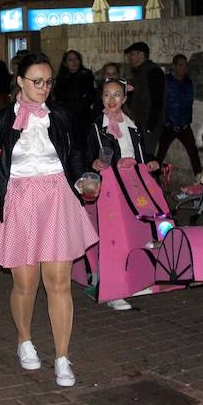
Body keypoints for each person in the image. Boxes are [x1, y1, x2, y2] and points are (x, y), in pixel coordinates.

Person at [0, 53, 98, 387]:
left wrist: (82, 179)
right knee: (25, 284)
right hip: (19, 201)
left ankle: (62, 357)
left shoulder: (60, 115)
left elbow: (75, 155)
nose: (44, 88)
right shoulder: (1, 120)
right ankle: (24, 339)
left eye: (48, 82)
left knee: (58, 282)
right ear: (20, 81)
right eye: (37, 82)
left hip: (56, 198)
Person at [84, 77, 160, 311]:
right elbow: (90, 152)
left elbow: (140, 150)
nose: (111, 99)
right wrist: (94, 163)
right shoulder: (98, 125)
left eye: (117, 95)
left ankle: (138, 279)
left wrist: (148, 162)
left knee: (140, 229)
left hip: (133, 183)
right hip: (110, 185)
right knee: (113, 236)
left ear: (124, 98)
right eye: (107, 95)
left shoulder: (132, 124)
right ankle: (113, 289)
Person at [157, 54, 202, 177]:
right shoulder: (166, 81)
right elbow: (159, 103)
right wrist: (165, 122)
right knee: (159, 154)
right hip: (169, 126)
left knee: (194, 153)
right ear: (174, 66)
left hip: (184, 126)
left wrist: (187, 121)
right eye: (181, 65)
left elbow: (189, 103)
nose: (184, 68)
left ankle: (200, 179)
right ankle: (151, 178)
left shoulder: (188, 83)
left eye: (185, 65)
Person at [124, 42, 166, 155]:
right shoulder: (138, 72)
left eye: (132, 54)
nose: (129, 58)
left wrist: (150, 127)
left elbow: (157, 101)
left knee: (146, 157)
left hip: (148, 126)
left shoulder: (153, 72)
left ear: (141, 54)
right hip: (138, 124)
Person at [52, 50, 96, 141]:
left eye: (76, 59)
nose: (74, 62)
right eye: (70, 60)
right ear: (65, 63)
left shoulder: (87, 75)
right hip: (66, 117)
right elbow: (59, 98)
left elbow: (89, 97)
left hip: (83, 117)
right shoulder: (61, 79)